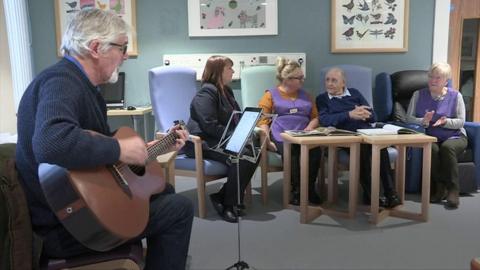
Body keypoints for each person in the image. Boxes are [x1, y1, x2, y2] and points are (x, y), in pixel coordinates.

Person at [15, 9, 193, 270]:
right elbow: (51, 142)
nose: (125, 57)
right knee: (178, 209)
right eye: (122, 48)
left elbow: (97, 150)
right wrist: (119, 147)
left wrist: (148, 149)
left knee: (162, 191)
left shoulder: (82, 85)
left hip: (79, 211)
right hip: (70, 225)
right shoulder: (61, 81)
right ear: (96, 47)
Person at [185, 55, 260, 223]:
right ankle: (228, 204)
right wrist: (235, 138)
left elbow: (235, 118)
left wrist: (244, 131)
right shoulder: (206, 92)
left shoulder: (227, 91)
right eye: (229, 68)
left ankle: (223, 195)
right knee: (241, 155)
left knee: (255, 151)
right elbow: (209, 125)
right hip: (201, 141)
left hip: (218, 139)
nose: (233, 71)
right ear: (219, 72)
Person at [315, 67, 401, 208]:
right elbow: (325, 119)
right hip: (346, 137)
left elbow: (374, 116)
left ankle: (390, 193)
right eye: (327, 80)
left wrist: (366, 115)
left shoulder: (354, 93)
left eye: (334, 80)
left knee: (381, 148)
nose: (329, 83)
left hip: (367, 133)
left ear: (343, 83)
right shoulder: (322, 99)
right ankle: (372, 196)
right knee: (363, 151)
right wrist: (350, 114)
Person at [257, 57, 323, 205]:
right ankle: (297, 190)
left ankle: (310, 189)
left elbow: (315, 117)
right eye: (298, 78)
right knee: (292, 152)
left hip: (305, 134)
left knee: (315, 151)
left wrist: (310, 127)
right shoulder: (270, 95)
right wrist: (267, 141)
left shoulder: (306, 96)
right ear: (286, 79)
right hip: (281, 135)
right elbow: (263, 120)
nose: (302, 81)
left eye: (302, 77)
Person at [406, 62, 467, 209]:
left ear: (446, 80)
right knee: (431, 149)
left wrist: (446, 122)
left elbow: (461, 122)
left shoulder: (456, 96)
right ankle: (440, 189)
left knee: (447, 148)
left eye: (437, 78)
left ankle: (453, 190)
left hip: (455, 136)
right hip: (430, 136)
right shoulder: (418, 95)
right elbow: (408, 118)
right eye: (431, 77)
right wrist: (423, 121)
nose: (433, 80)